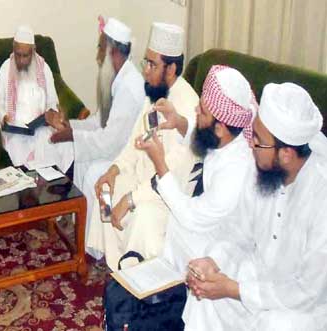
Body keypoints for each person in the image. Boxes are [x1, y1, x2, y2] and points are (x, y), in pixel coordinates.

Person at [184, 82, 327, 331]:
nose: (251, 144)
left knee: (275, 324)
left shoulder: (321, 196)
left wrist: (235, 289)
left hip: (304, 309)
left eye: (258, 140)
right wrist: (213, 261)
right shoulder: (264, 169)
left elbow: (308, 291)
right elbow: (238, 232)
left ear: (286, 154)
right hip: (259, 280)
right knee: (206, 293)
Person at [88, 22, 199, 268]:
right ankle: (115, 266)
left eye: (152, 64)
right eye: (145, 63)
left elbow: (172, 177)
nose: (145, 71)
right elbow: (133, 144)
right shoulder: (155, 94)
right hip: (140, 180)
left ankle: (136, 276)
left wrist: (130, 199)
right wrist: (113, 171)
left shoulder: (188, 107)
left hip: (166, 197)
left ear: (171, 68)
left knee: (141, 217)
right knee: (105, 191)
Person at [136, 64, 257, 272]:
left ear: (220, 128)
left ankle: (170, 290)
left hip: (227, 246)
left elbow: (191, 217)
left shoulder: (236, 171)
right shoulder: (227, 135)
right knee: (161, 221)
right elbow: (203, 133)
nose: (195, 111)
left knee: (173, 226)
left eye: (201, 110)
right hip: (208, 220)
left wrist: (160, 164)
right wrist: (179, 121)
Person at [50, 17, 144, 220]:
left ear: (114, 51)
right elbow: (99, 121)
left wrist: (72, 136)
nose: (98, 55)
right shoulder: (118, 78)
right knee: (83, 159)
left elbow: (111, 141)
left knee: (93, 171)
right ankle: (84, 229)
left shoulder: (129, 87)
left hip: (128, 155)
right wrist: (71, 127)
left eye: (101, 48)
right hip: (114, 147)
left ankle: (96, 243)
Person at [0, 25, 73, 172]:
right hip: (15, 131)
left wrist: (51, 115)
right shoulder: (6, 68)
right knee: (18, 150)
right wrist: (3, 117)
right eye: (18, 55)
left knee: (63, 145)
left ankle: (53, 187)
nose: (21, 60)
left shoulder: (43, 68)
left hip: (40, 128)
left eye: (25, 55)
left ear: (33, 51)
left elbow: (52, 101)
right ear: (13, 50)